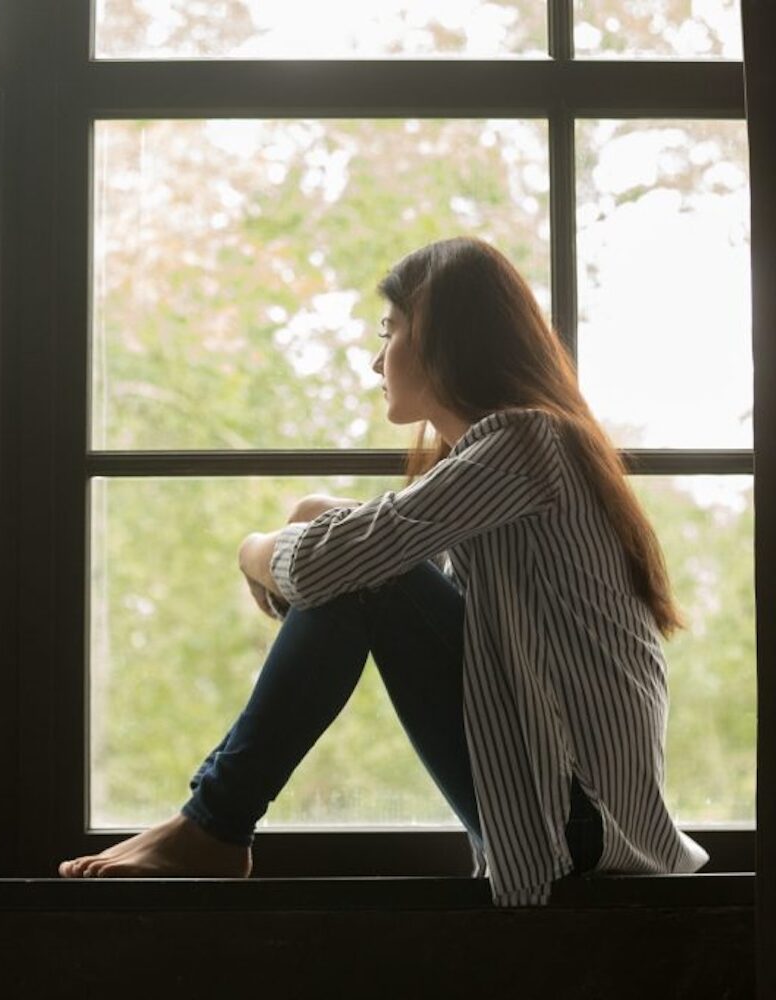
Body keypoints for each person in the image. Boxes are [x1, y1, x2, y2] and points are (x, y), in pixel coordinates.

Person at [58, 236, 709, 904]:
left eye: (391, 331)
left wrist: (254, 548)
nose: (376, 358)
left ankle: (215, 824)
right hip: (569, 821)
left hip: (577, 830)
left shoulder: (525, 442)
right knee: (360, 563)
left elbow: (335, 567)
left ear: (448, 340)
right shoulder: (529, 453)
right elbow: (378, 559)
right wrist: (313, 517)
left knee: (365, 572)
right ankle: (210, 824)